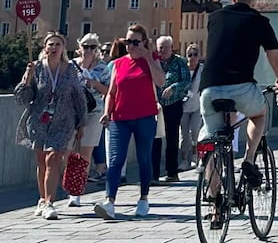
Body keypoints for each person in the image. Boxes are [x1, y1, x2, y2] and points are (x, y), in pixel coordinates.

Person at [198, 0, 278, 201]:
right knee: (259, 114)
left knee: (211, 140)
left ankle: (214, 204)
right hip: (241, 87)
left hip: (209, 88)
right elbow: (275, 59)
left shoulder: (215, 17)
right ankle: (249, 160)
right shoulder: (260, 21)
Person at [94, 23, 165, 221]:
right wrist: (107, 112)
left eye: (135, 42)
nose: (131, 46)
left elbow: (160, 81)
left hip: (144, 117)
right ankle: (110, 201)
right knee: (116, 160)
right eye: (128, 41)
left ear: (144, 42)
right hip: (120, 117)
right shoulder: (118, 64)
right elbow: (112, 92)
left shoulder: (151, 60)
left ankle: (143, 198)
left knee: (144, 158)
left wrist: (148, 58)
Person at [15, 31, 87, 221]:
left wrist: (81, 123)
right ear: (44, 48)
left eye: (57, 44)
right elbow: (24, 98)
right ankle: (42, 198)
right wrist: (27, 78)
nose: (53, 48)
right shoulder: (37, 68)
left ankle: (49, 202)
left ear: (63, 48)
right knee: (41, 161)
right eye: (50, 44)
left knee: (53, 158)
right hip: (39, 120)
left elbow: (79, 97)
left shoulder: (70, 69)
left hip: (64, 121)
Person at [71, 33, 111, 207]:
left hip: (94, 113)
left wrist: (94, 83)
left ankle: (76, 191)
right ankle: (70, 184)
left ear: (97, 50)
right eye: (85, 46)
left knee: (85, 154)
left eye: (92, 47)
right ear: (79, 47)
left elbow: (109, 91)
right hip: (71, 113)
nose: (88, 50)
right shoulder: (71, 65)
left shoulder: (103, 68)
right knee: (70, 152)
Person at [155, 35, 190, 183]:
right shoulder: (154, 62)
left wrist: (173, 88)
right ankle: (154, 174)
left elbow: (186, 81)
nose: (162, 50)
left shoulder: (180, 62)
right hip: (156, 105)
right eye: (160, 47)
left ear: (171, 47)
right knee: (155, 140)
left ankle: (172, 172)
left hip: (173, 104)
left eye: (165, 47)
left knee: (172, 138)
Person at [179, 44, 204, 170]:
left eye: (195, 55)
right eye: (190, 55)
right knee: (184, 135)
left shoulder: (202, 70)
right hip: (183, 107)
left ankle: (195, 156)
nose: (192, 58)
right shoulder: (183, 69)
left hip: (197, 106)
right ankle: (184, 160)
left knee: (195, 132)